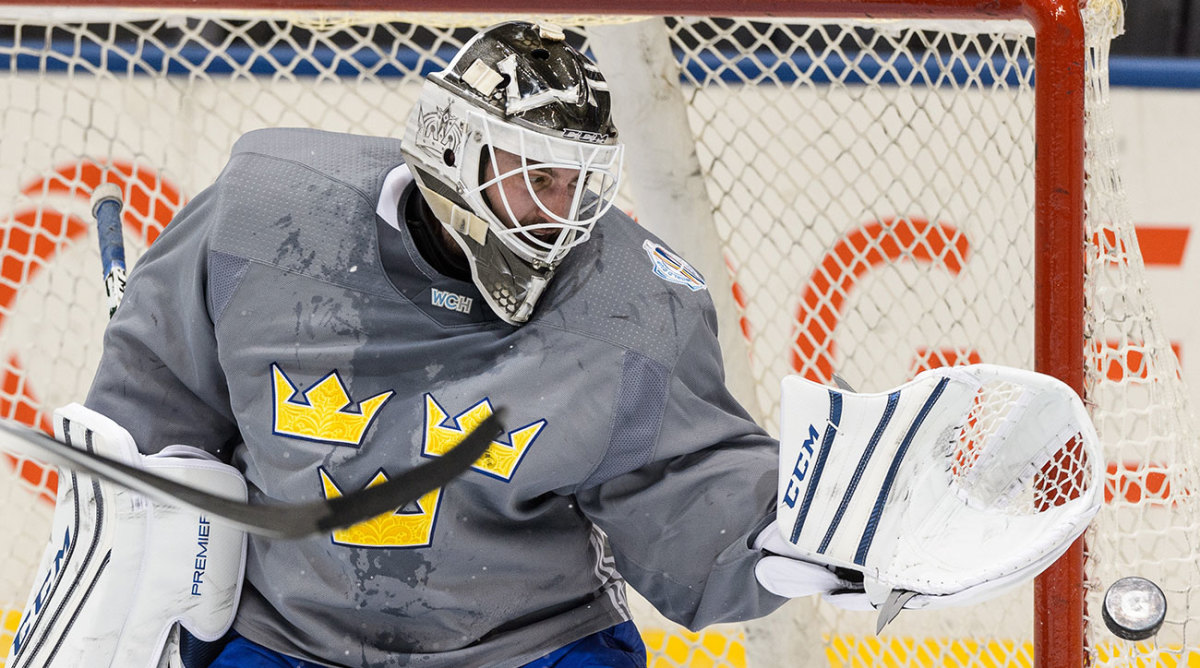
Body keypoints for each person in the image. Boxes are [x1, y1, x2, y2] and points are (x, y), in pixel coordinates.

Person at [75, 20, 791, 668]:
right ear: (454, 148)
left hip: (530, 645)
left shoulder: (629, 303)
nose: (561, 216)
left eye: (578, 184)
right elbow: (151, 412)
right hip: (289, 640)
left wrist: (790, 538)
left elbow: (687, 510)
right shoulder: (263, 220)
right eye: (538, 176)